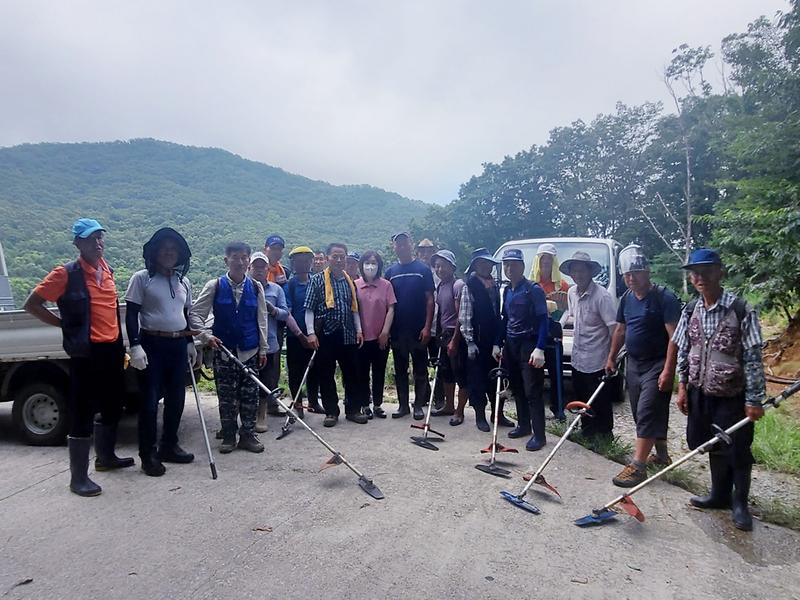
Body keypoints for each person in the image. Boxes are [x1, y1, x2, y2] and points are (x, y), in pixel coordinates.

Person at [24, 218, 134, 496]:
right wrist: (63, 324)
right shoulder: (65, 273)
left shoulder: (106, 269)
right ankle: (78, 478)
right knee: (82, 412)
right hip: (86, 353)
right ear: (77, 243)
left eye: (100, 237)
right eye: (90, 238)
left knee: (113, 405)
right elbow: (32, 303)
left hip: (111, 350)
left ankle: (106, 458)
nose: (97, 243)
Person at [672, 249, 765, 531]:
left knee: (737, 448)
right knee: (709, 442)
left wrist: (754, 399)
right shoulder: (690, 309)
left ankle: (740, 503)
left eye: (706, 271)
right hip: (701, 391)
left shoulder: (740, 309)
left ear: (720, 271)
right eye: (694, 273)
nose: (700, 277)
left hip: (732, 395)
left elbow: (753, 358)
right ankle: (718, 495)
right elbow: (683, 350)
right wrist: (683, 386)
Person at [605, 244, 680, 487]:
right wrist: (611, 357)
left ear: (647, 272)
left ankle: (638, 466)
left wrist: (669, 370)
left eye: (635, 273)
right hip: (634, 363)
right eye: (626, 274)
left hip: (657, 363)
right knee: (640, 411)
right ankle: (662, 454)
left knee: (648, 410)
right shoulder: (627, 298)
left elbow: (675, 338)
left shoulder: (664, 298)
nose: (630, 278)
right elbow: (621, 329)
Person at [125, 227, 196, 477]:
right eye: (164, 248)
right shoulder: (142, 278)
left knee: (177, 399)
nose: (169, 253)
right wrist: (134, 345)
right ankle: (148, 454)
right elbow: (131, 312)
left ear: (180, 254)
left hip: (177, 345)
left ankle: (169, 445)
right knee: (149, 403)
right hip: (151, 344)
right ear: (155, 252)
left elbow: (186, 314)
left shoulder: (182, 281)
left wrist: (189, 342)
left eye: (173, 249)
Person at [189, 242, 269, 454]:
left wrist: (263, 348)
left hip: (250, 350)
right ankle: (228, 435)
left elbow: (261, 319)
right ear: (226, 260)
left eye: (244, 257)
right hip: (223, 351)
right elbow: (195, 315)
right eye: (236, 257)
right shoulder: (214, 285)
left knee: (250, 395)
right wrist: (206, 336)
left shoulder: (256, 287)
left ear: (249, 261)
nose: (241, 262)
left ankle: (248, 435)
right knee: (226, 396)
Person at [304, 242, 366, 427]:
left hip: (348, 334)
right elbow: (309, 309)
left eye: (342, 257)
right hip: (326, 334)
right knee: (326, 374)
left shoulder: (350, 281)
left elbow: (354, 309)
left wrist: (359, 330)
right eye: (335, 256)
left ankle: (353, 410)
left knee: (352, 373)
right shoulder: (317, 280)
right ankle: (331, 412)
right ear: (328, 258)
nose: (339, 260)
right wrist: (311, 333)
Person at [558, 251, 617, 439]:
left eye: (581, 270)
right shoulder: (571, 292)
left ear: (590, 271)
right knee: (581, 397)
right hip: (578, 356)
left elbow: (614, 329)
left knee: (600, 399)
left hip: (598, 358)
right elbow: (572, 316)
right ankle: (587, 431)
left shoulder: (602, 296)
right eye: (574, 271)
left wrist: (611, 358)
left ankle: (605, 435)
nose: (578, 274)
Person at [498, 249, 548, 450]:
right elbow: (505, 319)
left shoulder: (532, 289)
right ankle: (524, 425)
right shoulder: (508, 290)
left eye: (514, 264)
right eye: (506, 265)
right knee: (517, 387)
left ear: (522, 266)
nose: (510, 268)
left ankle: (540, 435)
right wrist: (497, 342)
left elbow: (543, 319)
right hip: (511, 344)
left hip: (529, 343)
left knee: (532, 390)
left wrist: (540, 347)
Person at [459, 248, 513, 432]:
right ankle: (480, 416)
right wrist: (469, 341)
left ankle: (497, 414)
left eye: (488, 263)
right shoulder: (470, 286)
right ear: (475, 265)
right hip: (478, 341)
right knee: (478, 380)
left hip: (494, 339)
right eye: (482, 263)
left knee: (497, 376)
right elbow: (465, 316)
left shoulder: (495, 285)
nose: (486, 266)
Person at [249, 251, 302, 430]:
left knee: (267, 380)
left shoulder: (276, 289)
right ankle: (234, 420)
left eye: (262, 266)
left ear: (267, 269)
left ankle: (261, 414)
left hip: (269, 343)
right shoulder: (244, 288)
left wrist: (272, 310)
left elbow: (285, 313)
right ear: (249, 268)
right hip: (247, 343)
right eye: (255, 266)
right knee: (244, 382)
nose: (259, 270)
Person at [385, 233, 435, 419]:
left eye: (405, 243)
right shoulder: (390, 272)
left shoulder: (423, 269)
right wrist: (387, 330)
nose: (402, 247)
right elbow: (387, 304)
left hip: (418, 330)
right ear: (394, 247)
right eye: (398, 244)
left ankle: (419, 406)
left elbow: (430, 300)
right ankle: (403, 405)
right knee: (400, 369)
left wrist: (427, 326)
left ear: (411, 245)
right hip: (397, 331)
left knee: (420, 370)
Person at [428, 250, 469, 426]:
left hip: (456, 335)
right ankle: (449, 406)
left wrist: (455, 340)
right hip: (444, 335)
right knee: (446, 373)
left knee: (460, 374)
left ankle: (460, 412)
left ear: (452, 266)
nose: (439, 269)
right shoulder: (440, 286)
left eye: (443, 265)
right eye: (436, 266)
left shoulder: (458, 285)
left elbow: (461, 315)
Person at [355, 250, 396, 419]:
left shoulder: (386, 285)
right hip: (361, 338)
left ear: (379, 265)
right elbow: (353, 310)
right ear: (361, 265)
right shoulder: (355, 285)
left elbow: (391, 308)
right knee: (362, 372)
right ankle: (365, 404)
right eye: (367, 262)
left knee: (379, 371)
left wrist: (385, 332)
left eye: (374, 262)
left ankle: (378, 404)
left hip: (381, 337)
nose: (370, 266)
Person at [530, 243, 569, 417]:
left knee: (556, 372)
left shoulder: (562, 285)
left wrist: (559, 319)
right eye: (542, 259)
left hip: (554, 332)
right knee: (534, 372)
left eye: (548, 260)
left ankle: (558, 408)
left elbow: (569, 308)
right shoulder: (531, 284)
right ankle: (535, 408)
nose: (545, 263)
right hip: (535, 332)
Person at [285, 246, 322, 415]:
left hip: (315, 335)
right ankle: (298, 405)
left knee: (315, 369)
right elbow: (287, 312)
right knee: (296, 371)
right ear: (293, 264)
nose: (304, 264)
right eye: (300, 261)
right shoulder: (290, 285)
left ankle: (314, 402)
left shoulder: (316, 281)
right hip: (296, 337)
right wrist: (300, 335)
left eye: (307, 261)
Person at [263, 234, 290, 416]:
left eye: (279, 248)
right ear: (266, 248)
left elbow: (284, 301)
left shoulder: (284, 271)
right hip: (255, 326)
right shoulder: (257, 268)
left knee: (273, 366)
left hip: (276, 325)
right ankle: (255, 406)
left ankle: (271, 404)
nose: (276, 251)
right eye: (273, 248)